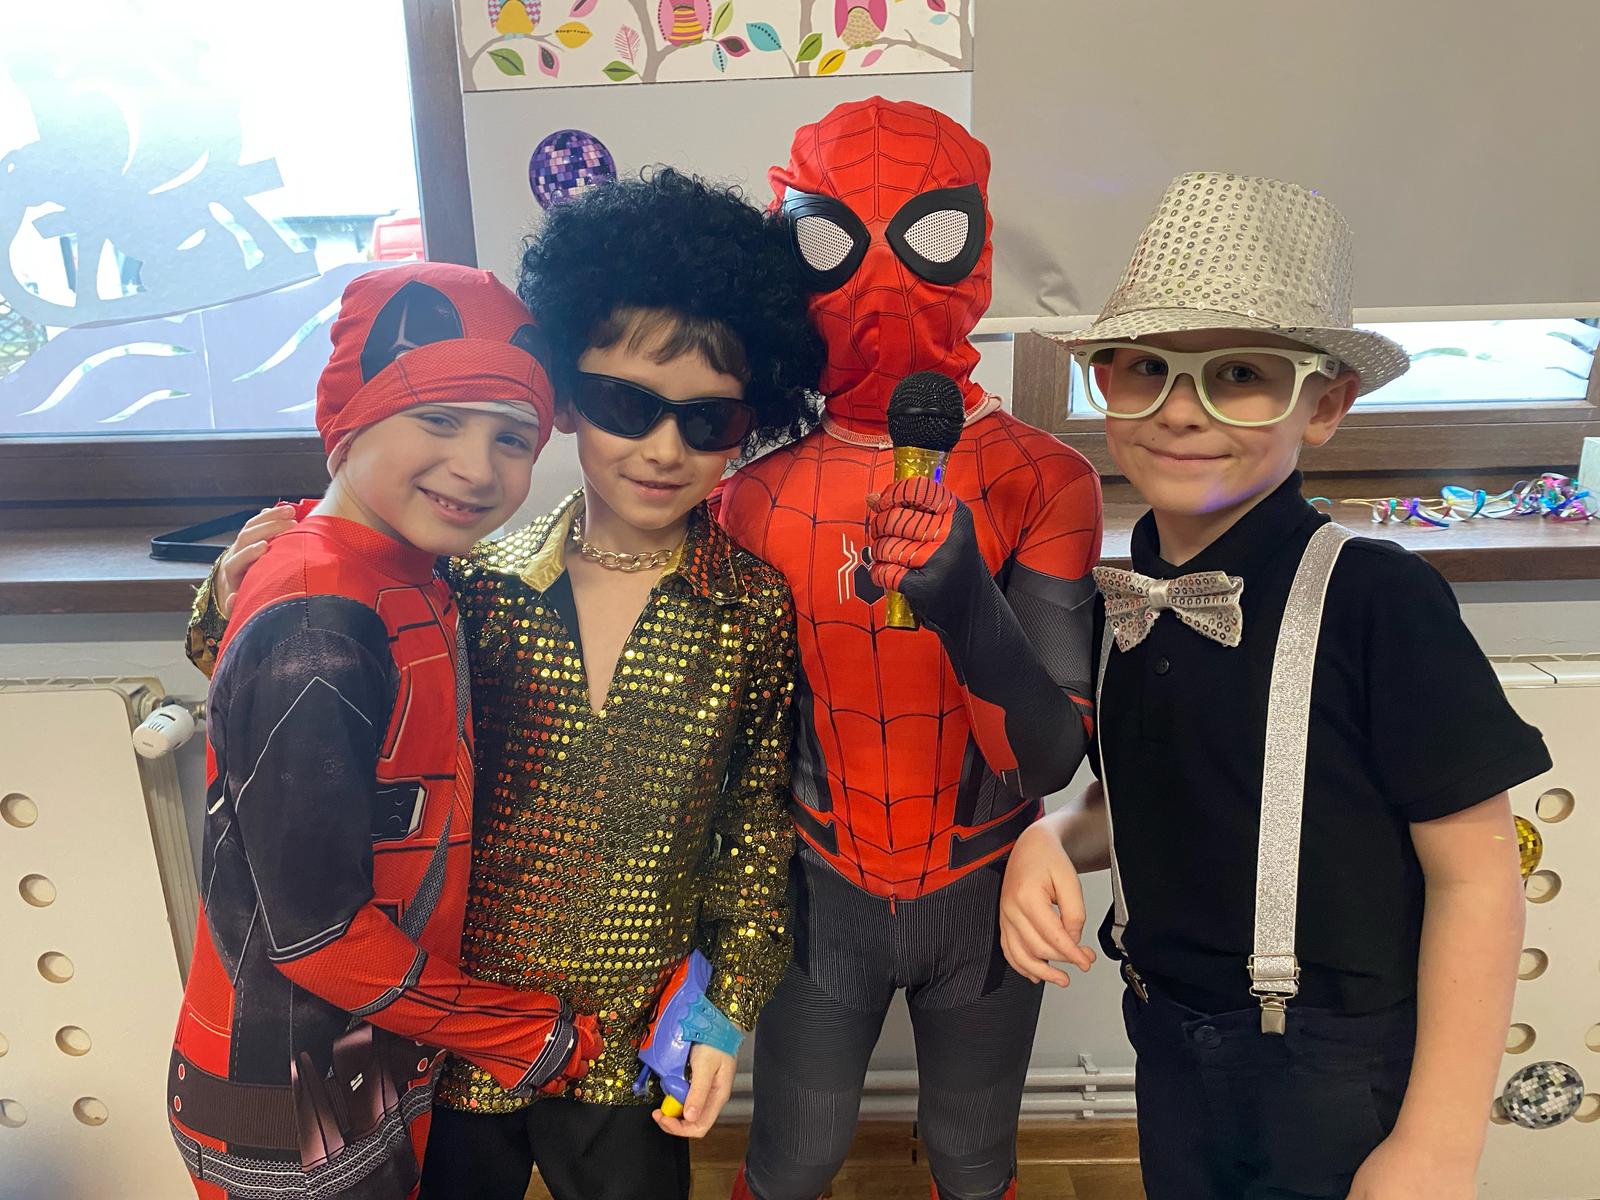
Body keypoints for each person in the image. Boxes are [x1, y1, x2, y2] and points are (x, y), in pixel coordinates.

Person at [192, 169, 824, 1200]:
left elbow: (754, 828)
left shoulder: (751, 609)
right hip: (447, 1041)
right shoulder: (467, 582)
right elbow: (301, 705)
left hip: (625, 1044)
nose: (664, 449)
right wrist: (236, 589)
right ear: (568, 400)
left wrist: (725, 1008)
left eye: (708, 422)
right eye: (627, 405)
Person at [999, 172, 1551, 1200]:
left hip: (1333, 1069)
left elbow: (1478, 881)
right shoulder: (1127, 592)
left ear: (1325, 404)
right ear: (1105, 384)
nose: (1181, 412)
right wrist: (1053, 836)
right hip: (1164, 1035)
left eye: (1240, 375)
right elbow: (1148, 795)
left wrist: (1438, 1144)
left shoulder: (1380, 602)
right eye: (1146, 369)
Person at [720, 97, 1103, 1200]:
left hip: (982, 886)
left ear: (974, 240)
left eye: (926, 235)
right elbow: (723, 744)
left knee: (976, 1158)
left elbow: (1047, 756)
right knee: (793, 1156)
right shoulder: (749, 494)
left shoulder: (1043, 479)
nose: (884, 279)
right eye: (834, 240)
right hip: (816, 891)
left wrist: (965, 600)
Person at [169, 261, 601, 1200]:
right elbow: (317, 936)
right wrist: (523, 1032)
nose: (477, 468)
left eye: (512, 436)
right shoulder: (319, 623)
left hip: (359, 1062)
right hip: (288, 1097)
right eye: (439, 419)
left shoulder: (392, 568)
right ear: (350, 417)